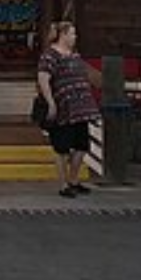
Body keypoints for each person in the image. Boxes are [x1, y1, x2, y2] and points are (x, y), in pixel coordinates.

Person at [37, 20, 101, 198]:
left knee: (81, 145)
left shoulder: (74, 55)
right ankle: (63, 183)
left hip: (80, 107)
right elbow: (43, 79)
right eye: (72, 34)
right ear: (63, 35)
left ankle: (74, 179)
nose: (75, 37)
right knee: (62, 147)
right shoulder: (49, 56)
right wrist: (51, 102)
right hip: (62, 106)